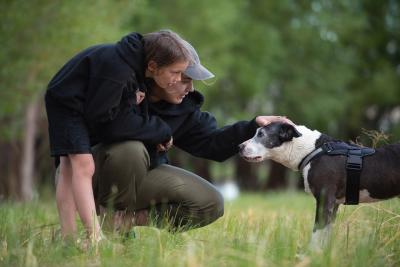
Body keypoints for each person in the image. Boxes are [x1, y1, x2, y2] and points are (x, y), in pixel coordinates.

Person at [90, 39, 292, 234]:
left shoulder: (184, 112)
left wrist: (253, 126)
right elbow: (105, 126)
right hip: (92, 175)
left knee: (210, 202)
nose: (190, 88)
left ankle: (121, 223)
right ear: (158, 71)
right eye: (184, 79)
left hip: (140, 178)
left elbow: (213, 144)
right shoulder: (121, 86)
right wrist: (159, 132)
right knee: (130, 148)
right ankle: (97, 225)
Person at [45, 29, 192, 245]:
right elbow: (100, 115)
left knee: (69, 168)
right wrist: (130, 101)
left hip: (75, 101)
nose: (178, 79)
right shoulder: (118, 67)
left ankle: (68, 239)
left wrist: (129, 99)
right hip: (67, 103)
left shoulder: (133, 65)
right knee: (83, 166)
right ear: (153, 66)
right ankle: (93, 236)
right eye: (175, 72)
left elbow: (110, 103)